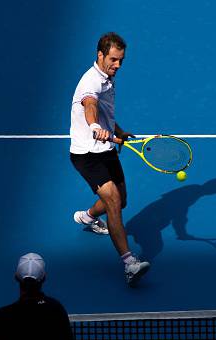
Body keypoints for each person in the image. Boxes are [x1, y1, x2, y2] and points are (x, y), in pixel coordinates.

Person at [69, 32, 150, 285]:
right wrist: (94, 127)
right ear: (100, 55)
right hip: (87, 154)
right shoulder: (90, 82)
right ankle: (129, 263)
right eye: (113, 60)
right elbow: (91, 105)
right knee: (113, 201)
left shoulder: (108, 78)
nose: (118, 65)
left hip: (106, 150)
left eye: (121, 60)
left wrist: (117, 131)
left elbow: (105, 112)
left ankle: (88, 216)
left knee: (122, 200)